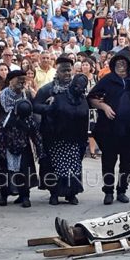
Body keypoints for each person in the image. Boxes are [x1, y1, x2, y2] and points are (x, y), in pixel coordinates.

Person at [88, 48, 130, 205]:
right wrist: (104, 107)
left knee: (127, 162)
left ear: (129, 65)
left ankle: (122, 190)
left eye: (124, 63)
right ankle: (108, 191)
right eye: (118, 63)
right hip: (110, 129)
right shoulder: (107, 80)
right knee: (108, 160)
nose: (121, 66)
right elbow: (92, 98)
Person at [0, 70, 42, 208]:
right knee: (5, 167)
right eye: (19, 79)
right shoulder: (1, 97)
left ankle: (24, 195)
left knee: (24, 166)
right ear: (11, 80)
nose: (22, 82)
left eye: (24, 79)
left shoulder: (28, 95)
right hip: (5, 138)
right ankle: (4, 194)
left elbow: (34, 111)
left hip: (23, 136)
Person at [40, 73, 89, 205]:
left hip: (74, 140)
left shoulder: (83, 100)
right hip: (57, 140)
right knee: (56, 168)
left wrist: (83, 140)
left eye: (82, 87)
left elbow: (85, 121)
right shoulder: (59, 98)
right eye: (77, 86)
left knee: (73, 168)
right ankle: (54, 193)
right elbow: (49, 116)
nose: (79, 89)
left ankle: (71, 194)